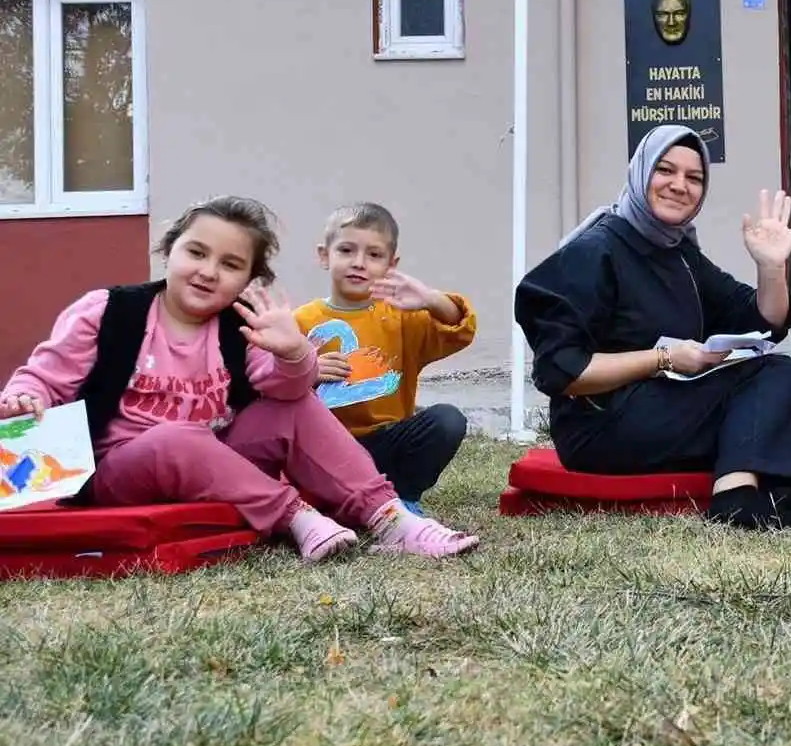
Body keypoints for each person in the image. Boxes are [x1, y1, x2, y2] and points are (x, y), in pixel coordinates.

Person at [0, 196, 478, 561]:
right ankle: (293, 514)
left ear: (249, 279)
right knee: (175, 440)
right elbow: (46, 377)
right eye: (197, 253)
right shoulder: (108, 311)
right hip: (119, 468)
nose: (208, 272)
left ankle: (390, 518)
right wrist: (24, 397)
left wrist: (294, 352)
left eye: (230, 265)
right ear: (171, 251)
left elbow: (285, 389)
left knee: (295, 406)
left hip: (219, 456)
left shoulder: (240, 324)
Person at [515, 125, 791, 530]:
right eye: (665, 171)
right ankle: (744, 494)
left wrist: (771, 267)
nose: (679, 186)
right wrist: (664, 358)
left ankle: (760, 490)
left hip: (665, 411)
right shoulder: (595, 251)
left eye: (694, 177)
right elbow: (565, 372)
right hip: (601, 425)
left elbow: (764, 320)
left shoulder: (677, 251)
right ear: (640, 173)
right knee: (777, 378)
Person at [294, 202, 475, 518]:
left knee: (447, 420)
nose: (359, 263)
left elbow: (459, 329)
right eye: (347, 250)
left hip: (386, 446)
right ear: (324, 255)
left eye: (374, 255)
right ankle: (333, 504)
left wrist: (431, 299)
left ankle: (401, 500)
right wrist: (305, 372)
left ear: (392, 264)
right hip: (327, 451)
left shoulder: (402, 318)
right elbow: (272, 383)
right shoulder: (300, 321)